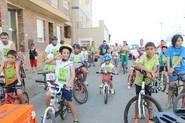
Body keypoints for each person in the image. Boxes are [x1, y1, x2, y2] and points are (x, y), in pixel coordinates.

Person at [45, 44, 79, 123]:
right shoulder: (57, 62)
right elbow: (46, 62)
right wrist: (55, 57)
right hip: (57, 84)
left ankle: (75, 119)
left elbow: (73, 75)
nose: (66, 54)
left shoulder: (70, 63)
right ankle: (49, 112)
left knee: (69, 102)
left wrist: (69, 83)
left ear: (69, 54)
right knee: (47, 95)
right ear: (61, 53)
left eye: (67, 53)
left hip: (66, 85)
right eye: (64, 52)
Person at [134, 42, 159, 123]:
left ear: (155, 50)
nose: (150, 51)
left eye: (152, 49)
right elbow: (139, 65)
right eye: (147, 49)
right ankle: (136, 117)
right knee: (138, 100)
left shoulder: (156, 57)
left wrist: (153, 73)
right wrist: (149, 71)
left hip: (148, 82)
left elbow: (155, 68)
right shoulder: (143, 56)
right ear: (145, 50)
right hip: (139, 82)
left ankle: (150, 118)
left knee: (149, 101)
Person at [166, 34, 185, 109]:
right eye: (178, 40)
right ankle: (169, 102)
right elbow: (168, 59)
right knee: (171, 85)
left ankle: (181, 99)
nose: (180, 42)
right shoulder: (170, 49)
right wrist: (168, 69)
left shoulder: (183, 49)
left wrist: (172, 67)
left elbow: (180, 58)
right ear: (174, 41)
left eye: (181, 40)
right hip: (172, 70)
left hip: (182, 70)